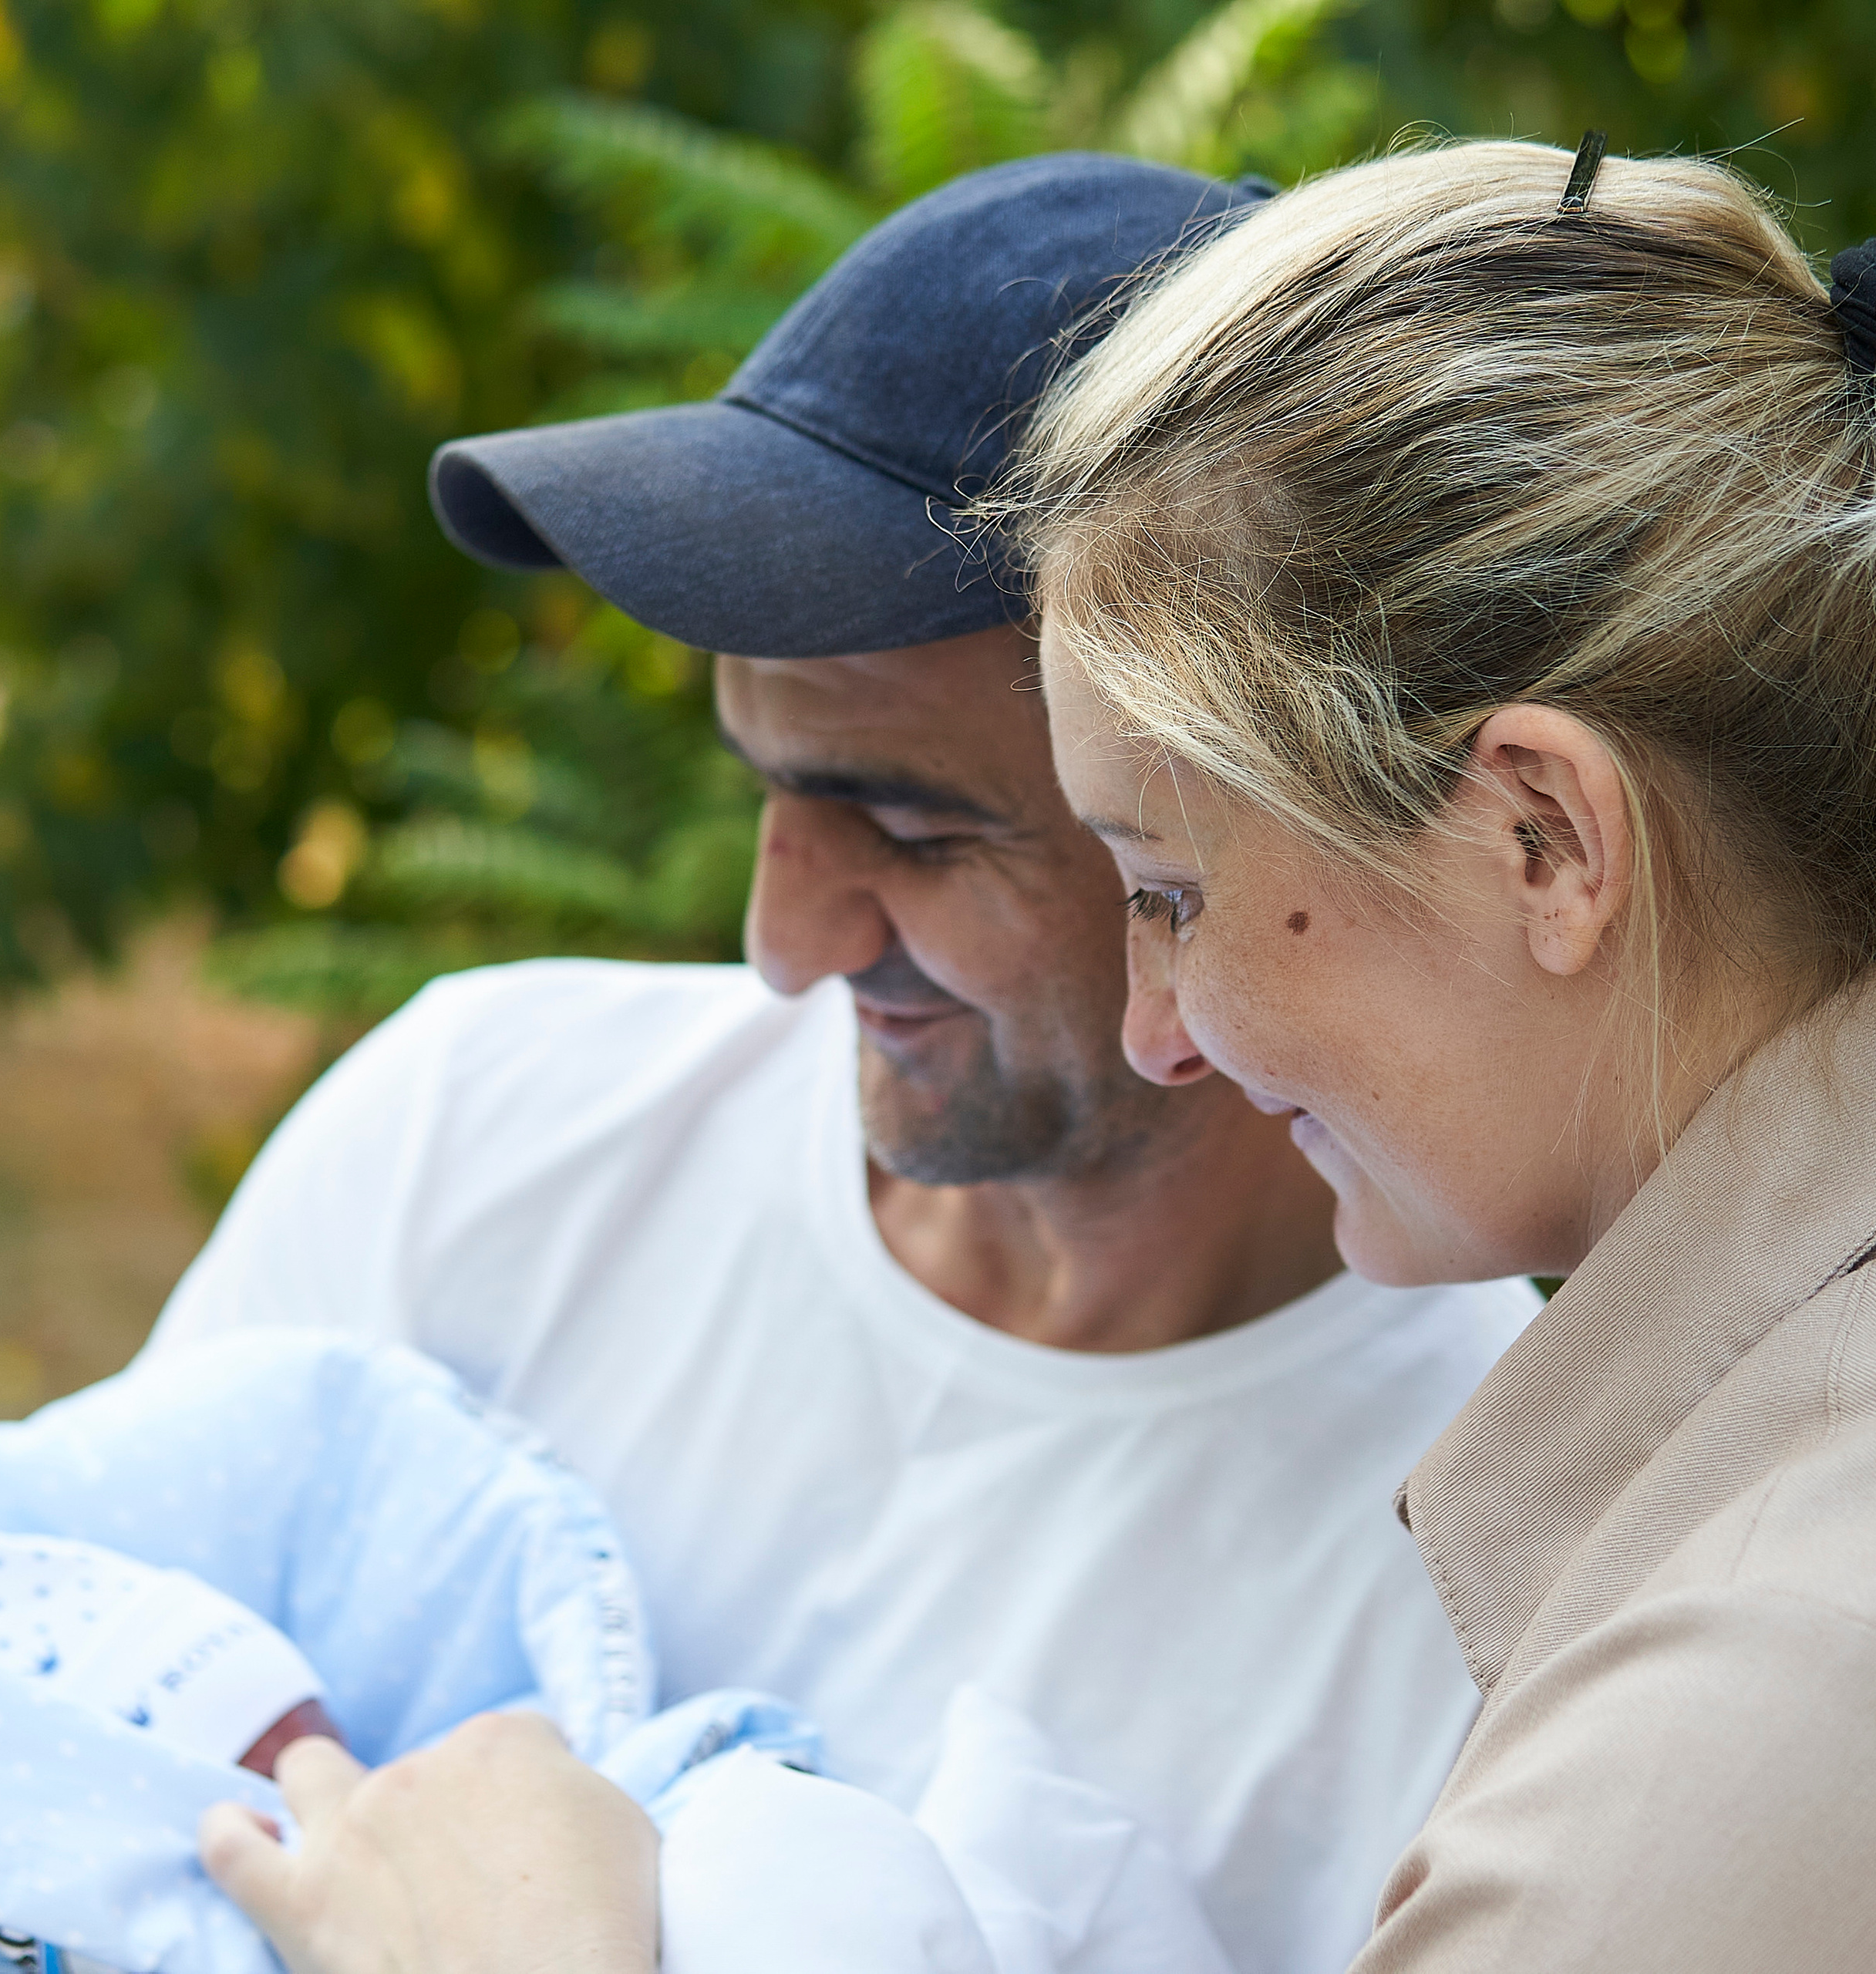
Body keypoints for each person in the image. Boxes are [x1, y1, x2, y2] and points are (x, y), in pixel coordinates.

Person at [203, 137, 1876, 1972]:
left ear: (1541, 843)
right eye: (762, 789)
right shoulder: (477, 1115)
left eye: (1149, 875)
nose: (779, 945)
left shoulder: (1650, 1651)